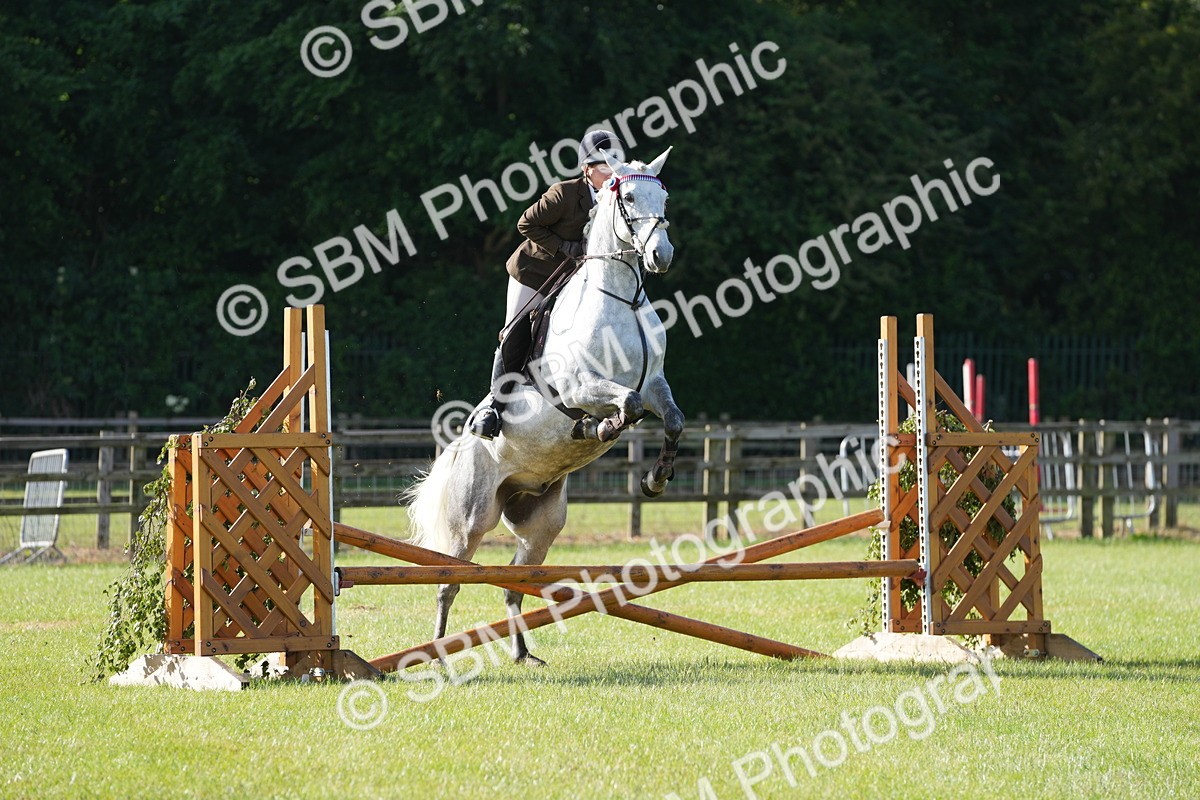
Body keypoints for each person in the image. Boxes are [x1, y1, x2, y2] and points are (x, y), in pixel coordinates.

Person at [468, 129, 623, 439]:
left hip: (574, 277)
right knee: (516, 329)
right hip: (534, 271)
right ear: (586, 169)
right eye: (603, 165)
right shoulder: (564, 194)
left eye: (614, 164)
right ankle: (493, 408)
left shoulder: (616, 198)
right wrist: (565, 247)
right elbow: (525, 223)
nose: (610, 171)